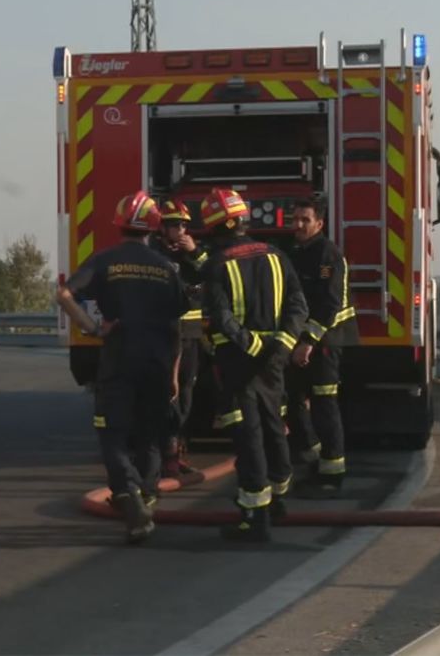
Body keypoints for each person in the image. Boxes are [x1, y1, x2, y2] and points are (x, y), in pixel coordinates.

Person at [57, 191, 189, 544]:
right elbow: (178, 327)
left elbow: (64, 294)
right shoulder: (167, 268)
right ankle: (145, 497)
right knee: (149, 434)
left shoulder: (105, 261)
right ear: (153, 227)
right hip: (158, 362)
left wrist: (91, 327)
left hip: (119, 359)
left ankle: (129, 496)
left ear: (119, 223)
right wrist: (175, 373)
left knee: (112, 433)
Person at [200, 187, 308, 542]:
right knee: (274, 423)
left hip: (238, 361)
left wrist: (252, 344)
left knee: (248, 436)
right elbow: (298, 306)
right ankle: (278, 498)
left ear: (215, 226)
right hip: (275, 358)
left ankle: (254, 518)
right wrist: (282, 344)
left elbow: (220, 317)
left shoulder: (217, 264)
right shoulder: (278, 255)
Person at [286, 197, 357, 498]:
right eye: (296, 219)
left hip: (325, 341)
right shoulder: (297, 253)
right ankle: (313, 455)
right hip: (302, 342)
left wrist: (309, 341)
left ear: (319, 223)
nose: (298, 225)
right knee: (293, 399)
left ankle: (332, 473)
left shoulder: (327, 255)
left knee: (324, 404)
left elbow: (329, 303)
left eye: (305, 219)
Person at [151, 198, 210, 477]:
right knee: (167, 394)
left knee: (187, 391)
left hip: (192, 334)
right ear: (162, 227)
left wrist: (195, 252)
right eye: (175, 225)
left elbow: (215, 274)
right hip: (165, 334)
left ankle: (178, 449)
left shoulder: (194, 252)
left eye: (185, 225)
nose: (181, 230)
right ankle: (165, 453)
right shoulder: (154, 253)